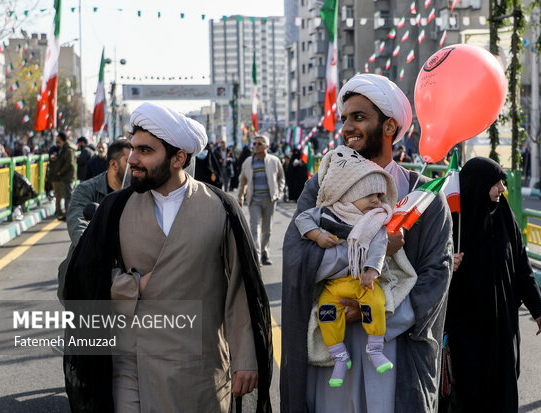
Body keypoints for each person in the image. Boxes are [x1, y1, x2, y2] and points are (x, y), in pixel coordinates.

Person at [62, 102, 272, 412]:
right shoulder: (116, 208)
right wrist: (133, 286)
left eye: (145, 151)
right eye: (133, 149)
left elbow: (240, 290)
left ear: (178, 158)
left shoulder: (221, 207)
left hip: (201, 369)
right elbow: (81, 276)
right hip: (132, 366)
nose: (132, 159)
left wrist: (245, 359)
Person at [281, 73, 453, 413]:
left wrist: (376, 313)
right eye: (344, 118)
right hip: (330, 354)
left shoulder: (424, 197)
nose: (346, 127)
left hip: (393, 353)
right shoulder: (320, 189)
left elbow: (437, 276)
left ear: (389, 127)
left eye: (358, 117)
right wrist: (369, 250)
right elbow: (295, 256)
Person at [294, 146, 418, 389]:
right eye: (370, 195)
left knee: (376, 303)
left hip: (363, 282)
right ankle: (339, 356)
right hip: (333, 287)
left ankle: (375, 348)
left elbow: (380, 245)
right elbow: (302, 219)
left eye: (380, 196)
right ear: (349, 193)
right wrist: (318, 235)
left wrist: (372, 270)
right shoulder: (328, 214)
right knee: (326, 314)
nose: (377, 201)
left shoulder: (375, 221)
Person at [445, 157, 541, 412]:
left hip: (502, 326)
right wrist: (447, 263)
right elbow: (428, 267)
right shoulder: (453, 224)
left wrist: (538, 309)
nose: (502, 189)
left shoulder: (504, 215)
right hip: (466, 330)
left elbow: (521, 265)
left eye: (502, 183)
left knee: (503, 392)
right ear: (478, 185)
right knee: (469, 394)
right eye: (496, 183)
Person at [57, 138, 133, 302]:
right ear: (113, 165)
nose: (134, 166)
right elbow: (79, 227)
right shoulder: (86, 190)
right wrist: (105, 250)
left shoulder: (138, 192)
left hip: (125, 276)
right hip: (88, 270)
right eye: (128, 161)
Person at [238, 135, 285, 266]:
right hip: (254, 200)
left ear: (266, 146)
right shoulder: (248, 162)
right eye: (254, 144)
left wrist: (279, 193)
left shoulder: (274, 161)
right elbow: (242, 181)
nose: (256, 146)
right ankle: (256, 256)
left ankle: (265, 253)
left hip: (270, 199)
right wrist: (240, 196)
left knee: (267, 229)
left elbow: (281, 178)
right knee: (255, 228)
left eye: (259, 144)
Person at [52, 132, 77, 220]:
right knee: (67, 196)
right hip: (66, 176)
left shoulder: (67, 149)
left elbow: (69, 163)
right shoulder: (65, 148)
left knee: (68, 197)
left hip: (67, 176)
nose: (57, 139)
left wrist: (60, 172)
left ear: (61, 138)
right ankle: (67, 214)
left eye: (58, 137)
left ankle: (69, 216)